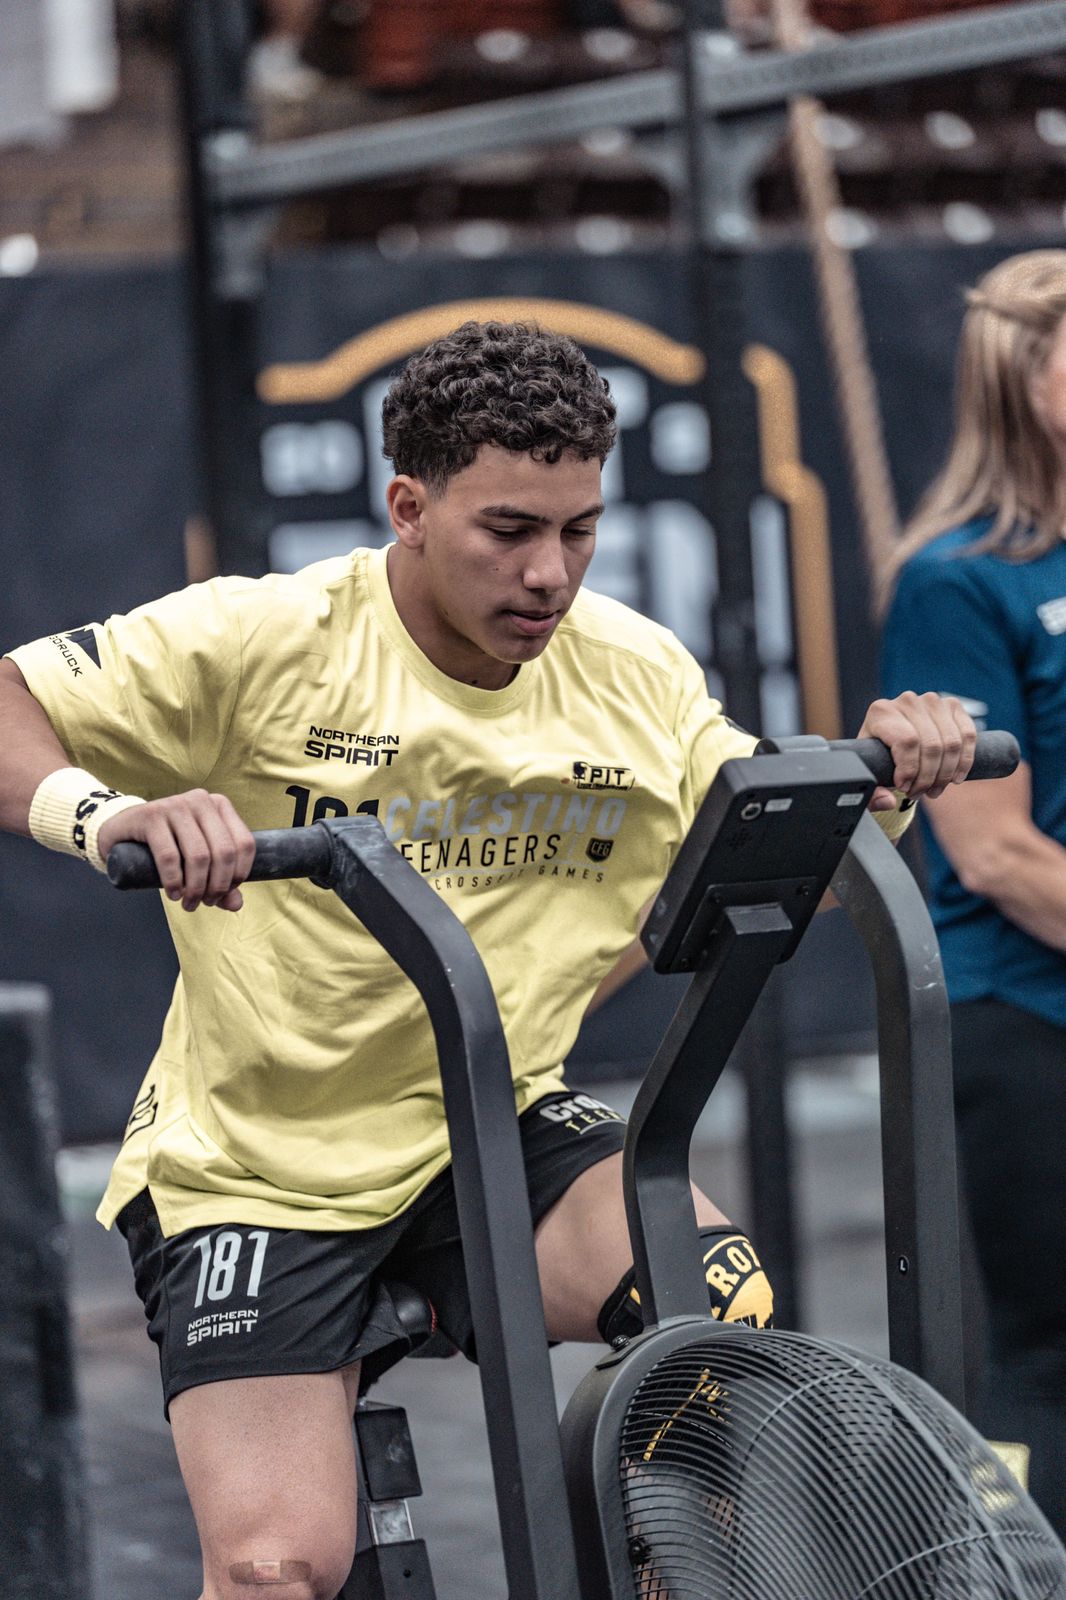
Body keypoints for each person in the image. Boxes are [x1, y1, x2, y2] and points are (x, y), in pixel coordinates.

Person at [0, 321, 973, 1600]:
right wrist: (113, 815)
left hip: (492, 1126)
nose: (550, 572)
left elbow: (751, 829)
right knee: (277, 1568)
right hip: (264, 1164)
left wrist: (887, 766)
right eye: (508, 529)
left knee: (723, 1326)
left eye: (578, 530)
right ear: (408, 505)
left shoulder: (629, 670)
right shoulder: (266, 635)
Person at [881, 250, 1066, 1543]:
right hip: (1019, 1019)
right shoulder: (957, 578)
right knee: (1044, 1355)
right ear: (1031, 378)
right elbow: (992, 852)